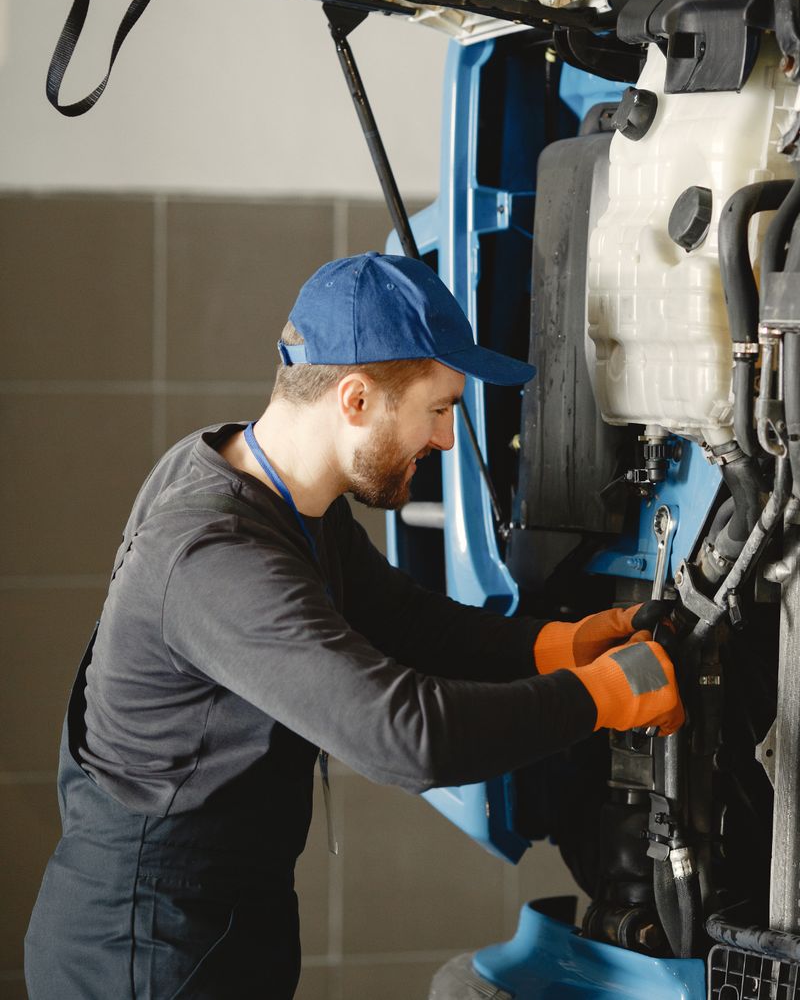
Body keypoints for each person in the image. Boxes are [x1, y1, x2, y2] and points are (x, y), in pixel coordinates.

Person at [24, 251, 683, 1000]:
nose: (445, 439)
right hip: (143, 954)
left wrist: (554, 644)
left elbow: (404, 619)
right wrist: (602, 695)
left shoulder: (277, 490)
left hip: (218, 921)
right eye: (439, 409)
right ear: (356, 398)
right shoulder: (215, 556)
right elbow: (407, 736)